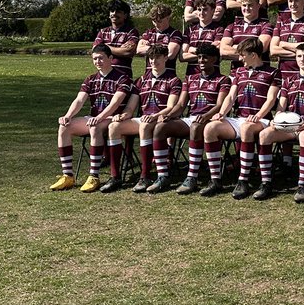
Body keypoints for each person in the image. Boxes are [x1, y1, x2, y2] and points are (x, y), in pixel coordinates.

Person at [202, 37, 279, 198]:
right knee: (210, 128)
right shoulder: (239, 72)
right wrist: (222, 113)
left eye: (243, 55)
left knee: (247, 128)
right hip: (240, 118)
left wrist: (258, 116)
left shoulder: (273, 72)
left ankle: (243, 180)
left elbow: (271, 99)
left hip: (262, 120)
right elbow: (231, 97)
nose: (240, 58)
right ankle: (215, 179)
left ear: (253, 55)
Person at [49, 44, 132, 193]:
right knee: (64, 127)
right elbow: (79, 100)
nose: (97, 61)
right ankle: (68, 175)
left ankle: (94, 176)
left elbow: (115, 103)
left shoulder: (122, 78)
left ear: (111, 58)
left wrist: (100, 117)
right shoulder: (91, 79)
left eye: (101, 58)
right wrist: (68, 115)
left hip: (113, 119)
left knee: (94, 127)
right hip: (95, 118)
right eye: (95, 59)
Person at [106, 44, 184, 193]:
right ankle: (115, 176)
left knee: (144, 125)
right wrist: (124, 115)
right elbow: (131, 107)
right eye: (151, 58)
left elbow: (171, 107)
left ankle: (145, 176)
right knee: (113, 126)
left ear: (165, 58)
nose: (153, 61)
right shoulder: (141, 80)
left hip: (162, 121)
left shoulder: (174, 81)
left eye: (157, 57)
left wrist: (154, 116)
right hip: (144, 119)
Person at [258, 42, 304, 203]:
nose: (302, 59)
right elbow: (281, 106)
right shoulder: (288, 80)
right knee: (264, 135)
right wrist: (276, 119)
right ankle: (266, 182)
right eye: (299, 56)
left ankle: (302, 185)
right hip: (288, 126)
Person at [172, 44, 232, 195]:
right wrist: (169, 115)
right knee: (160, 127)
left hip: (212, 119)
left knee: (195, 126)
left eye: (205, 57)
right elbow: (180, 104)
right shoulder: (189, 78)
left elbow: (220, 105)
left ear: (214, 59)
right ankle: (161, 176)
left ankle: (192, 176)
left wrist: (206, 116)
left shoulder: (223, 79)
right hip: (192, 118)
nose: (201, 60)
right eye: (199, 57)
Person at [270, 0, 304, 85]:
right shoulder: (281, 23)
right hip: (282, 77)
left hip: (303, 76)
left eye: (296, 1)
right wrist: (300, 51)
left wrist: (283, 44)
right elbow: (273, 50)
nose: (293, 4)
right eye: (290, 1)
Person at [219, 0, 273, 69]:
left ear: (258, 6)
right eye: (244, 5)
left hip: (260, 71)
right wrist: (248, 53)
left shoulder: (266, 26)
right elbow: (223, 51)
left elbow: (261, 48)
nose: (246, 8)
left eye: (250, 5)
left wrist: (235, 47)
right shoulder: (231, 26)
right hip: (236, 72)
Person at [93, 0, 139, 74]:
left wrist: (104, 47)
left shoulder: (131, 32)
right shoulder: (103, 32)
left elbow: (128, 52)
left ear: (125, 15)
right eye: (112, 11)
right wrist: (120, 50)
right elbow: (95, 50)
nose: (114, 14)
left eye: (118, 12)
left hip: (123, 75)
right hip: (104, 75)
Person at [135, 3, 184, 74]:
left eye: (160, 21)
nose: (156, 24)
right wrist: (162, 48)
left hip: (167, 74)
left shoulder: (175, 34)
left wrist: (150, 47)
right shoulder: (149, 32)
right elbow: (139, 50)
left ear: (168, 18)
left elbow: (170, 54)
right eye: (154, 21)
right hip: (149, 75)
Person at [180, 0, 223, 76]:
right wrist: (205, 54)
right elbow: (182, 57)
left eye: (205, 9)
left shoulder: (219, 30)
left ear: (213, 11)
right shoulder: (189, 30)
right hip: (191, 75)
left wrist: (192, 49)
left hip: (212, 75)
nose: (201, 13)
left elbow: (214, 54)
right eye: (199, 10)